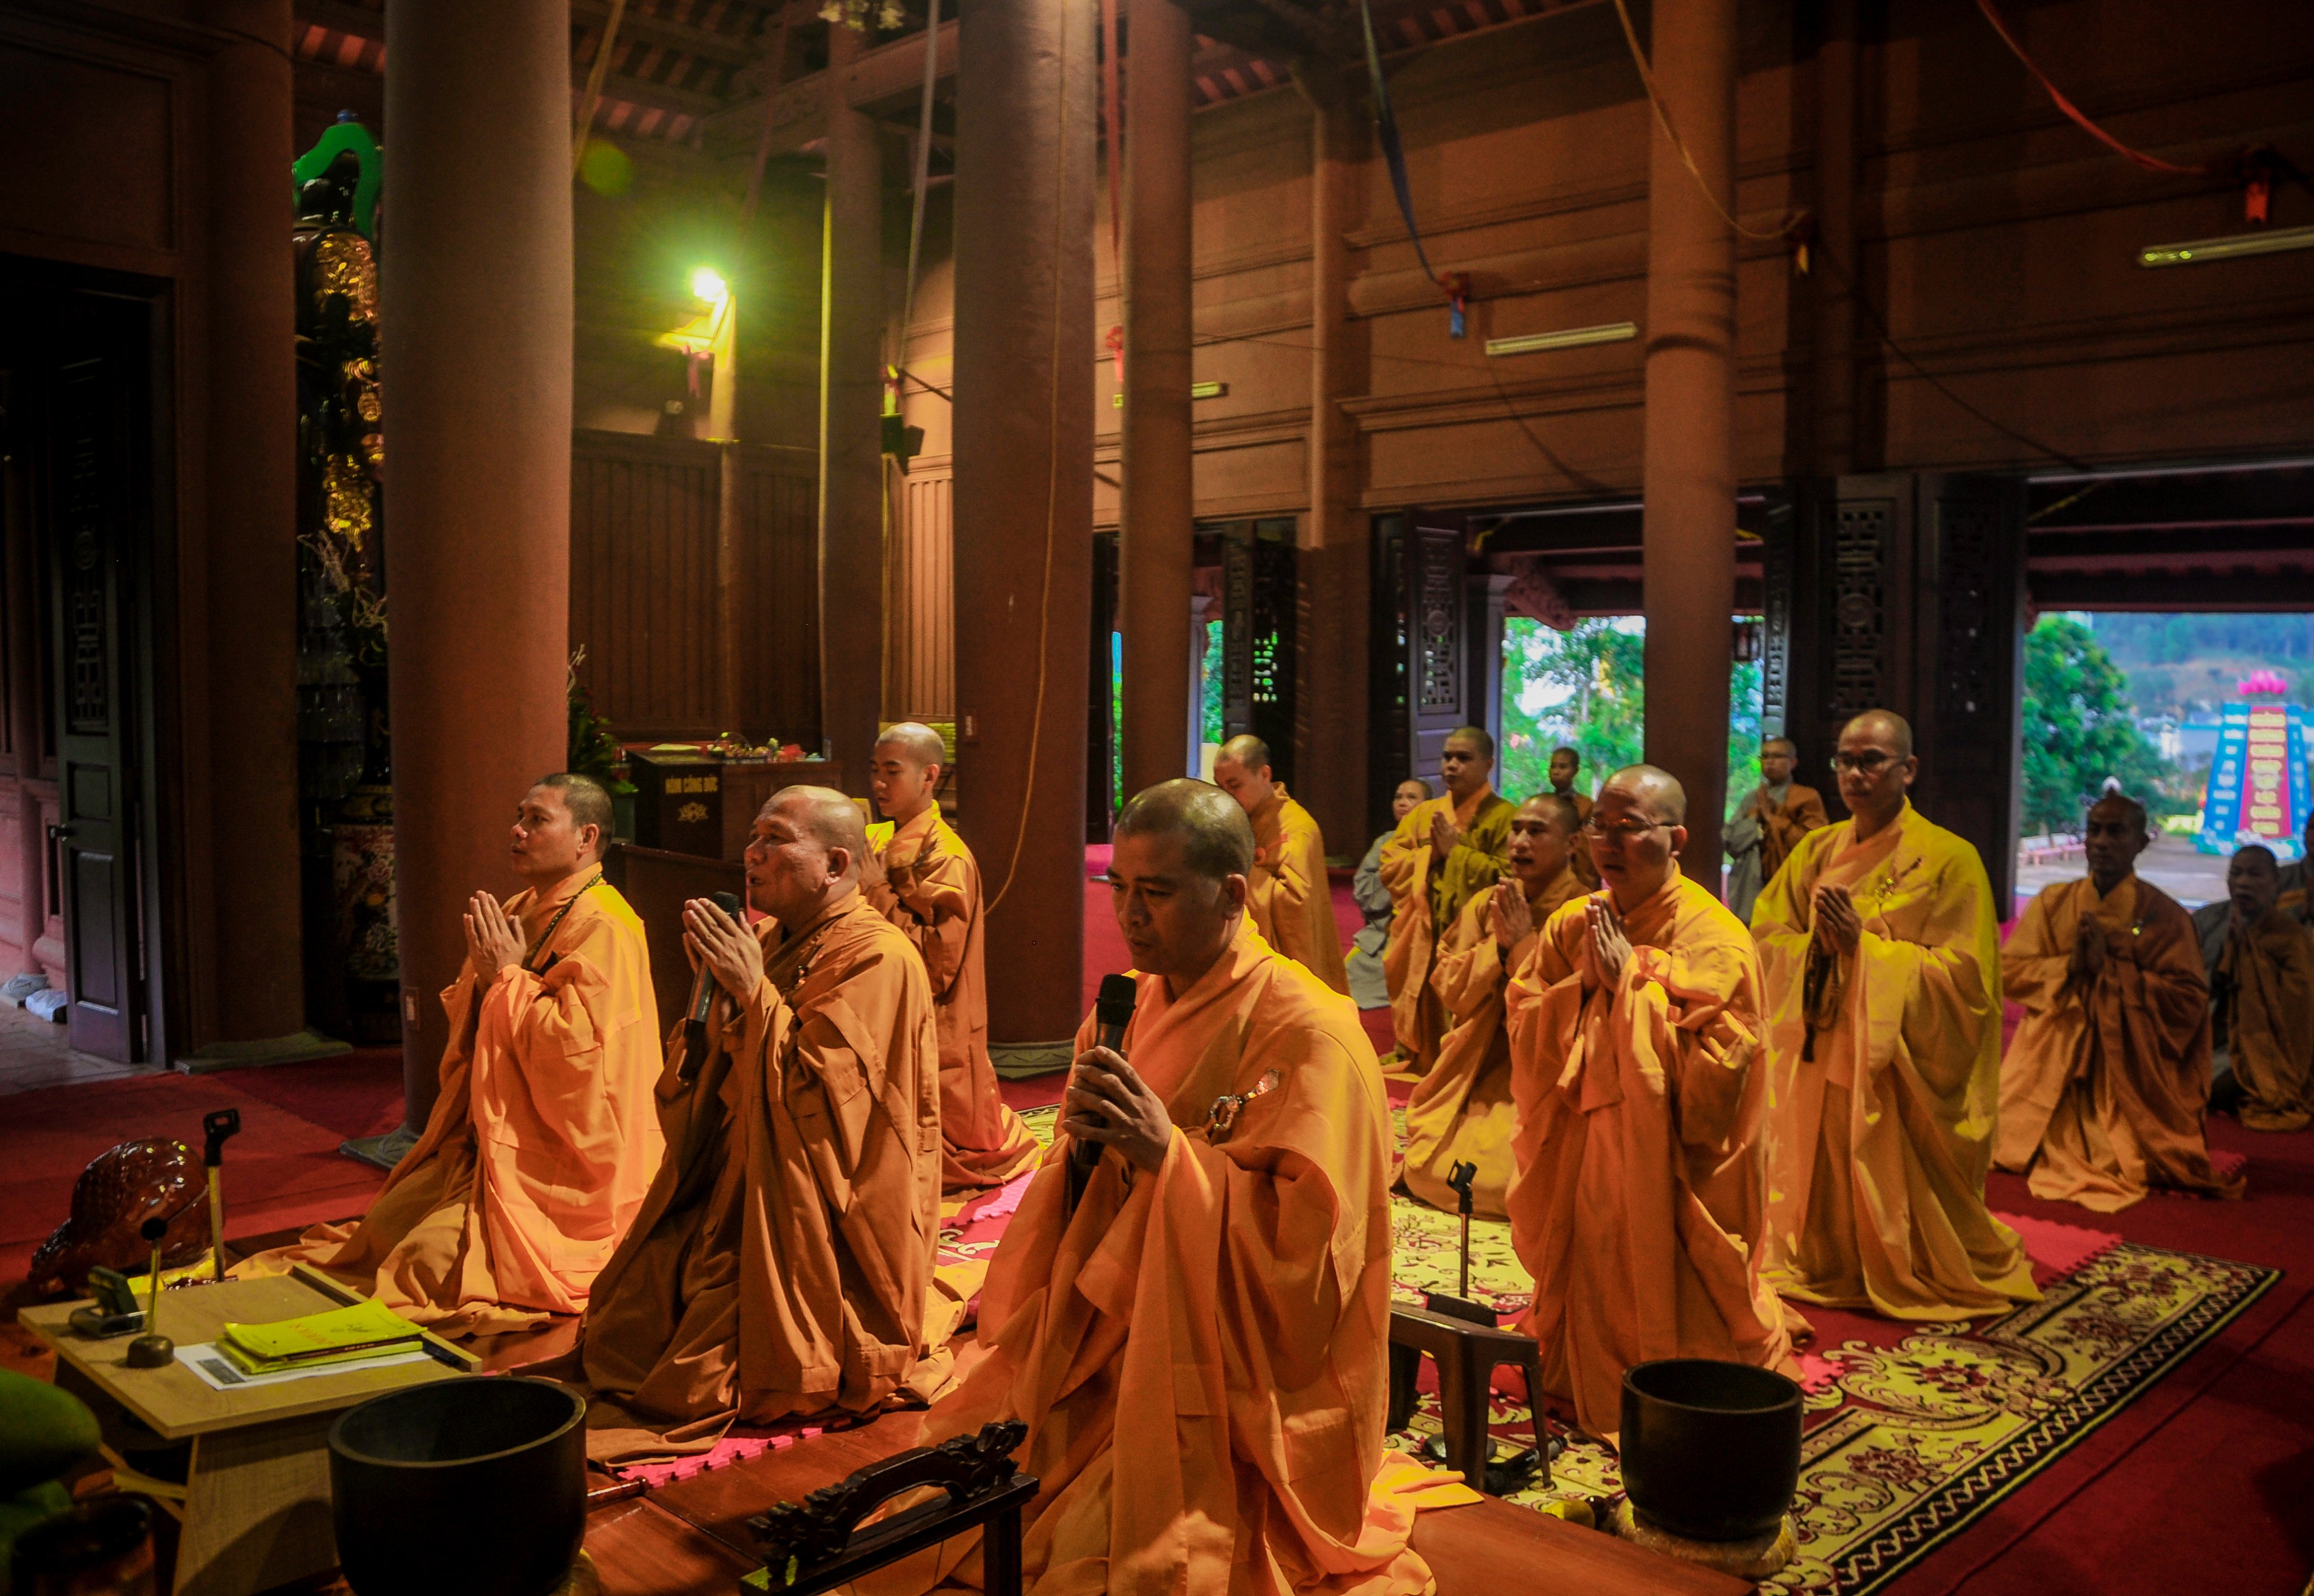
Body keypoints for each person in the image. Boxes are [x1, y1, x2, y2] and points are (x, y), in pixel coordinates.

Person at [850, 779, 1473, 1595]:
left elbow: (1314, 1256)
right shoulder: (1128, 1006)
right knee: (989, 1483)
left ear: (1234, 894)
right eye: (1120, 888)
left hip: (1233, 1372)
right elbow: (1075, 1177)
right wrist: (1089, 1156)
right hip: (1108, 1328)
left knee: (1132, 1549)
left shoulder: (1310, 1029)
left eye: (1157, 892)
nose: (1129, 915)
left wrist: (1167, 1157)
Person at [577, 786, 946, 1455]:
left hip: (821, 1213)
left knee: (703, 1374)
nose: (752, 853)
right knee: (628, 1310)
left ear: (836, 864)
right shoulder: (776, 938)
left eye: (775, 838)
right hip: (741, 1181)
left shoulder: (880, 956)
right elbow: (719, 1072)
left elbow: (829, 1110)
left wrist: (754, 993)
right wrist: (719, 995)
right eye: (753, 836)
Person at [250, 776, 663, 1336]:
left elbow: (581, 1057)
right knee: (378, 1233)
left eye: (537, 820)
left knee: (424, 1268)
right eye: (519, 816)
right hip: (488, 1145)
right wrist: (493, 982)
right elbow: (476, 1008)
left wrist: (507, 978)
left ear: (585, 837)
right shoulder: (521, 907)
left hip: (560, 1164)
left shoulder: (606, 925)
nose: (517, 830)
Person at [1503, 768, 1791, 1443]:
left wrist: (1631, 983)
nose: (1609, 841)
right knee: (1592, 1232)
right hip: (1586, 1137)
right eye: (1600, 825)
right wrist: (1586, 989)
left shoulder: (1715, 937)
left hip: (1669, 1160)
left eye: (1629, 826)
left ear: (1677, 838)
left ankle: (1665, 1363)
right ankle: (1581, 1351)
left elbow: (1724, 1066)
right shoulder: (1576, 921)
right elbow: (1524, 1012)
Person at [1753, 711, 2038, 1320]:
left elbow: (1968, 984)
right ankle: (1828, 1252)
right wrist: (1819, 948)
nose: (1854, 774)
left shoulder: (1950, 859)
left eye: (1871, 761)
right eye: (1845, 760)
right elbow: (1767, 937)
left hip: (1893, 1059)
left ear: (1907, 769)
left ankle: (1905, 1254)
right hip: (1825, 1043)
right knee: (1819, 1159)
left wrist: (1865, 951)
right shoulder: (1816, 849)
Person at [1997, 794, 2241, 1210]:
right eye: (2094, 830)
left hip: (2129, 1063)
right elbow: (2008, 970)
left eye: (2116, 832)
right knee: (2003, 1139)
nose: (2102, 842)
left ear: (2141, 842)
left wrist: (2112, 973)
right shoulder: (2054, 902)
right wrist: (2069, 967)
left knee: (2124, 1155)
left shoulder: (2165, 915)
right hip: (2054, 1053)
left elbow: (2188, 1000)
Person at [863, 723, 1042, 1191]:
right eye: (875, 770)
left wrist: (877, 891)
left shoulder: (946, 857)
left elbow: (937, 963)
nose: (879, 783)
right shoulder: (876, 839)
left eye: (892, 772)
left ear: (929, 777)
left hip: (933, 1014)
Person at [1399, 794, 1585, 1218]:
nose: (1521, 841)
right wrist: (1497, 950)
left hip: (1543, 1069)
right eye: (1516, 830)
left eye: (1537, 832)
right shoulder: (1489, 903)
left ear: (1572, 843)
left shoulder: (1581, 912)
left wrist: (1522, 945)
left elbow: (1573, 1010)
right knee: (1428, 1169)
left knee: (1506, 1182)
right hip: (1478, 1059)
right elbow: (1449, 985)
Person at [1379, 728, 1516, 1077]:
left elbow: (1511, 878)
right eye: (1447, 757)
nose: (1452, 765)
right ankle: (1420, 1052)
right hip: (1424, 925)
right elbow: (1390, 864)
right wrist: (1430, 856)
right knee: (1420, 991)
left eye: (1463, 758)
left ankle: (1459, 1066)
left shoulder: (1505, 817)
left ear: (1489, 764)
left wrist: (1456, 853)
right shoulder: (1424, 814)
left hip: (1471, 933)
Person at [1212, 733, 1350, 994]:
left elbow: (1295, 904)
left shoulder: (1298, 829)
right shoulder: (1239, 819)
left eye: (1235, 785)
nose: (1227, 796)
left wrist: (1239, 868)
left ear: (1264, 774)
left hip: (1281, 968)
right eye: (1221, 787)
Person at [2191, 845, 2314, 1132]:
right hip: (2210, 1035)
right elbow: (2189, 987)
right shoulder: (2207, 921)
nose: (2243, 882)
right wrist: (2226, 960)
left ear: (2275, 883)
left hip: (2267, 1046)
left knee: (2220, 1088)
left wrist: (2250, 960)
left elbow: (2301, 1004)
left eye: (2255, 875)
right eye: (2236, 874)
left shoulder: (2291, 935)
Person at [1723, 736, 1828, 924]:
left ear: (1793, 763)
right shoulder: (1752, 798)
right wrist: (1757, 819)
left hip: (1788, 884)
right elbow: (1730, 840)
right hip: (1750, 882)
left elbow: (1815, 844)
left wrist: (1771, 819)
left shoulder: (1806, 797)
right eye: (1765, 756)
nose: (1770, 761)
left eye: (1777, 756)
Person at [1347, 779, 1430, 1009]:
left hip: (1423, 941)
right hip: (1383, 938)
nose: (1402, 803)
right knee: (1342, 987)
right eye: (1398, 797)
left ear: (1428, 805)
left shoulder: (1436, 843)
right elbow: (1363, 892)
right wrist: (1398, 872)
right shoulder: (1385, 842)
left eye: (1411, 797)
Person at [1547, 745, 1601, 890]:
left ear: (1575, 771)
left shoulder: (1586, 805)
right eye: (1553, 766)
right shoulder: (1545, 804)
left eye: (1563, 767)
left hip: (1576, 875)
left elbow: (1590, 844)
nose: (1556, 771)